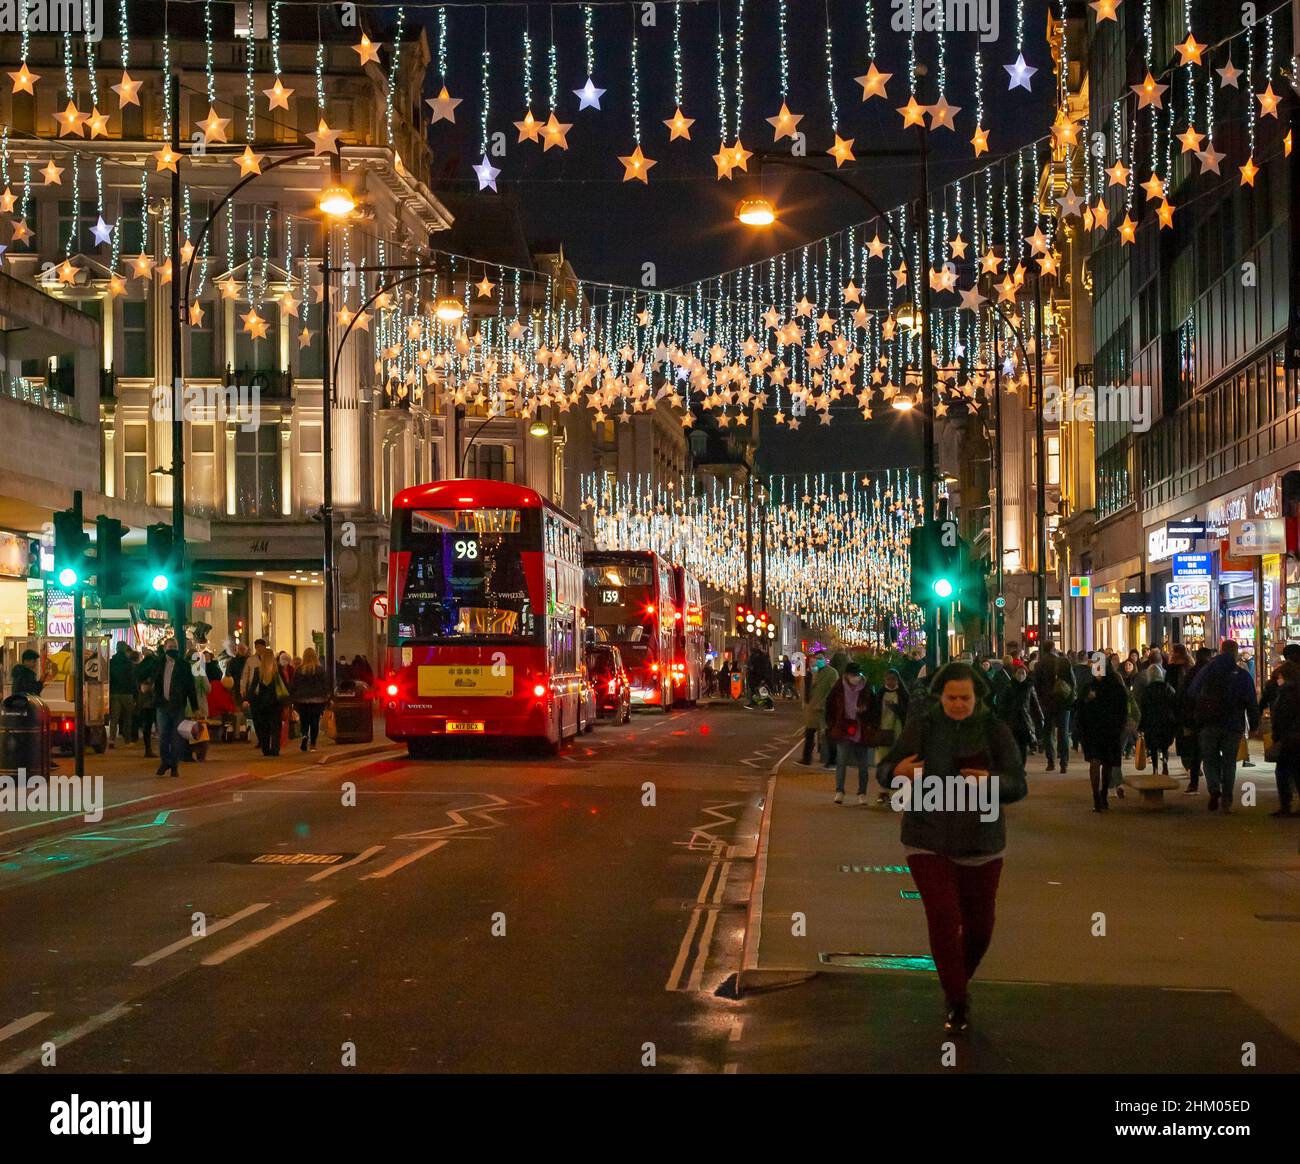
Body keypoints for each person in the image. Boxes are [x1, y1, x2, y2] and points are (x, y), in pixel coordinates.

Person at [879, 662, 1027, 1033]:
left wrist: (990, 781)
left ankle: (956, 982)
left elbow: (1018, 784)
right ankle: (957, 1000)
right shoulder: (923, 727)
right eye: (951, 698)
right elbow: (886, 768)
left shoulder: (994, 730)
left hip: (982, 840)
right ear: (939, 697)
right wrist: (897, 773)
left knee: (980, 928)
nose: (958, 704)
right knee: (944, 918)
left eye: (965, 698)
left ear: (977, 698)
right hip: (928, 836)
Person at [1186, 640, 1261, 813]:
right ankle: (1227, 799)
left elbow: (1192, 692)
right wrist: (1254, 725)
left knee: (1210, 759)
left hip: (1208, 723)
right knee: (1229, 762)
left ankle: (1214, 789)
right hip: (1233, 724)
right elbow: (1251, 702)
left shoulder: (1207, 670)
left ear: (1221, 651)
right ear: (1235, 653)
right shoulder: (1241, 674)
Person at [1076, 652, 1128, 812]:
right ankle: (1097, 797)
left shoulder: (1114, 685)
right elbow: (1078, 706)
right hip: (1093, 730)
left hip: (1109, 730)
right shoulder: (1090, 686)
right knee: (1096, 761)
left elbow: (1121, 708)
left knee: (1106, 763)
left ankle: (1103, 793)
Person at [825, 661, 881, 805]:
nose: (856, 677)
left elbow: (875, 709)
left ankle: (862, 793)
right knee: (841, 761)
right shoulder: (838, 688)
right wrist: (831, 725)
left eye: (857, 674)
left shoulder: (867, 688)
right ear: (846, 675)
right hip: (843, 727)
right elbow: (829, 706)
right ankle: (839, 791)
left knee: (863, 764)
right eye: (853, 675)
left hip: (861, 728)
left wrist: (866, 712)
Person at [154, 636, 197, 778]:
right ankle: (165, 761)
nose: (172, 650)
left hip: (177, 705)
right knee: (163, 736)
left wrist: (195, 706)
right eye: (169, 647)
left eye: (174, 647)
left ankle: (174, 765)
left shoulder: (183, 665)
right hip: (162, 705)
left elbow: (190, 686)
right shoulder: (159, 663)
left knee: (176, 737)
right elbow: (151, 678)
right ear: (165, 648)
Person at [1032, 641, 1075, 774]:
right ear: (1053, 648)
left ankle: (1050, 761)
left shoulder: (1039, 665)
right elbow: (1073, 682)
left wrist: (1041, 700)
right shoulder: (1064, 662)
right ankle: (1064, 763)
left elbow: (1036, 685)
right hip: (1063, 701)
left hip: (1047, 702)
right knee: (1063, 732)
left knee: (1048, 731)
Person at [1265, 652, 1300, 816]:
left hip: (1289, 737)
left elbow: (1281, 716)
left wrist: (1277, 736)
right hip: (1294, 736)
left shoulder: (1286, 692)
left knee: (1283, 771)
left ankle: (1285, 805)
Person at [996, 661, 1043, 765]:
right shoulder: (1009, 687)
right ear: (1015, 674)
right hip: (1011, 721)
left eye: (1023, 673)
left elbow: (1035, 704)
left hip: (1024, 721)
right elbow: (1002, 704)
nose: (1021, 675)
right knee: (1013, 746)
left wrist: (1040, 717)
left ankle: (1021, 766)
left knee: (1022, 746)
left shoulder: (1029, 687)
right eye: (1019, 673)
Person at [797, 651, 839, 768]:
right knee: (810, 732)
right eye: (816, 659)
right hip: (813, 708)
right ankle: (807, 758)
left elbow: (834, 691)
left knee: (829, 735)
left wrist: (824, 703)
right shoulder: (814, 672)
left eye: (820, 659)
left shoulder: (832, 673)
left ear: (825, 659)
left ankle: (832, 761)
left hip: (825, 708)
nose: (817, 661)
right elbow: (809, 689)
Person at [244, 645, 287, 757]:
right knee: (276, 727)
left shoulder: (259, 671)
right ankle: (275, 749)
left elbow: (253, 687)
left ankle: (265, 749)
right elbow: (285, 687)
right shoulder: (277, 671)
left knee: (265, 727)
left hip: (262, 703)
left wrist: (247, 699)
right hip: (276, 703)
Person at [1138, 663, 1177, 777]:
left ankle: (1155, 769)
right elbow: (1174, 703)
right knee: (1164, 745)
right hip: (1166, 721)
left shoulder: (1147, 690)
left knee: (1153, 747)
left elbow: (1143, 708)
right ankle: (1165, 763)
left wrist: (1142, 725)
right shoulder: (1168, 688)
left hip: (1151, 722)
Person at [290, 647, 330, 752]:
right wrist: (326, 697)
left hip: (302, 700)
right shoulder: (320, 670)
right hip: (317, 700)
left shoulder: (299, 670)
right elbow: (325, 685)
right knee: (314, 722)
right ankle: (313, 744)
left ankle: (304, 736)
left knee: (304, 720)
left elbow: (294, 685)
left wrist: (292, 698)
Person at [107, 640, 136, 748]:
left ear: (116, 648)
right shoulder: (129, 663)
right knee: (127, 717)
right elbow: (133, 680)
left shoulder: (111, 662)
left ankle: (112, 740)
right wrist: (135, 695)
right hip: (127, 693)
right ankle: (127, 740)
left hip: (114, 692)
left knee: (114, 718)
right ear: (124, 649)